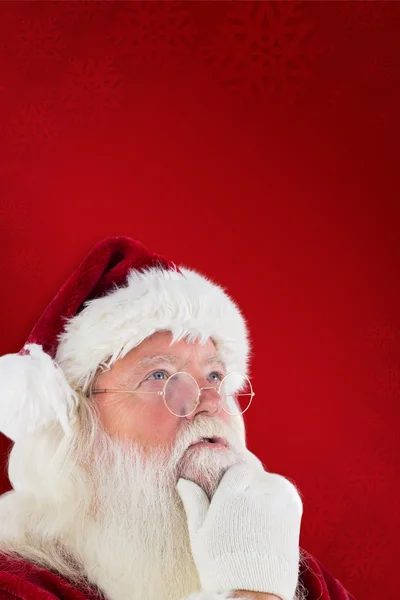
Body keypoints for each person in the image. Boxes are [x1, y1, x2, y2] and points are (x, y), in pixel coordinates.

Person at [0, 236, 355, 600]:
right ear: (75, 429)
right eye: (161, 376)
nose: (212, 400)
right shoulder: (17, 586)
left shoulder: (297, 577)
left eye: (216, 376)